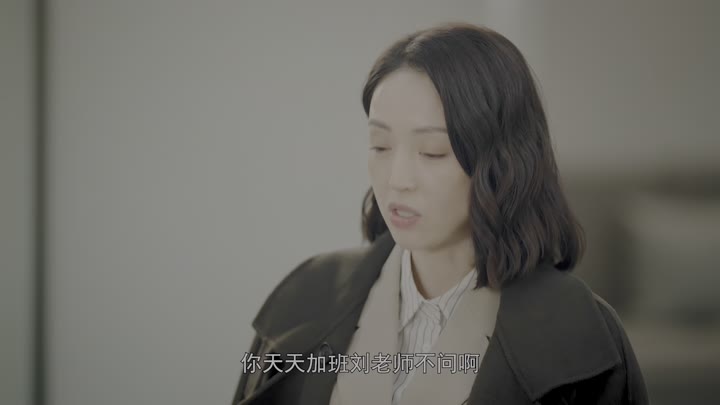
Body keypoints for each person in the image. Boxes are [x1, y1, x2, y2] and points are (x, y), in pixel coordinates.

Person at [230, 22, 649, 405]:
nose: (397, 180)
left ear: (504, 162)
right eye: (380, 146)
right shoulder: (305, 297)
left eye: (432, 152)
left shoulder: (580, 333)